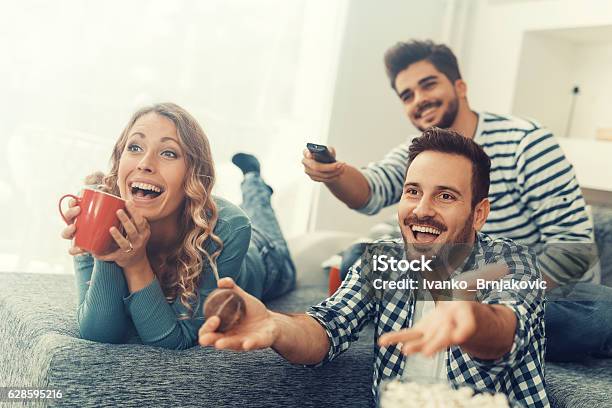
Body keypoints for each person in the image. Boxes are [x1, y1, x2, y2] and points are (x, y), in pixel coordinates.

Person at [302, 39, 611, 361]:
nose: (419, 99)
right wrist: (334, 174)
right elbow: (369, 190)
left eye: (428, 85)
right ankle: (449, 320)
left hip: (530, 289)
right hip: (450, 281)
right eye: (407, 95)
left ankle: (454, 321)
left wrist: (477, 289)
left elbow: (573, 248)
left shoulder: (526, 142)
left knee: (600, 311)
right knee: (358, 258)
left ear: (460, 86)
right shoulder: (420, 150)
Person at [200, 128, 549, 407]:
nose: (422, 210)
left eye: (445, 196)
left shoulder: (512, 263)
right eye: (413, 192)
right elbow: (327, 328)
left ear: (478, 213)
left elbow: (505, 333)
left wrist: (471, 319)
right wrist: (275, 325)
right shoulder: (383, 261)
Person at [60, 102, 295, 349]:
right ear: (119, 161)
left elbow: (175, 339)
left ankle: (253, 180)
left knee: (258, 212)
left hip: (265, 258)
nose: (145, 163)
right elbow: (99, 333)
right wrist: (106, 251)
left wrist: (136, 263)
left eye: (168, 153)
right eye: (135, 147)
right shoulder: (95, 206)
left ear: (192, 175)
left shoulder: (230, 227)